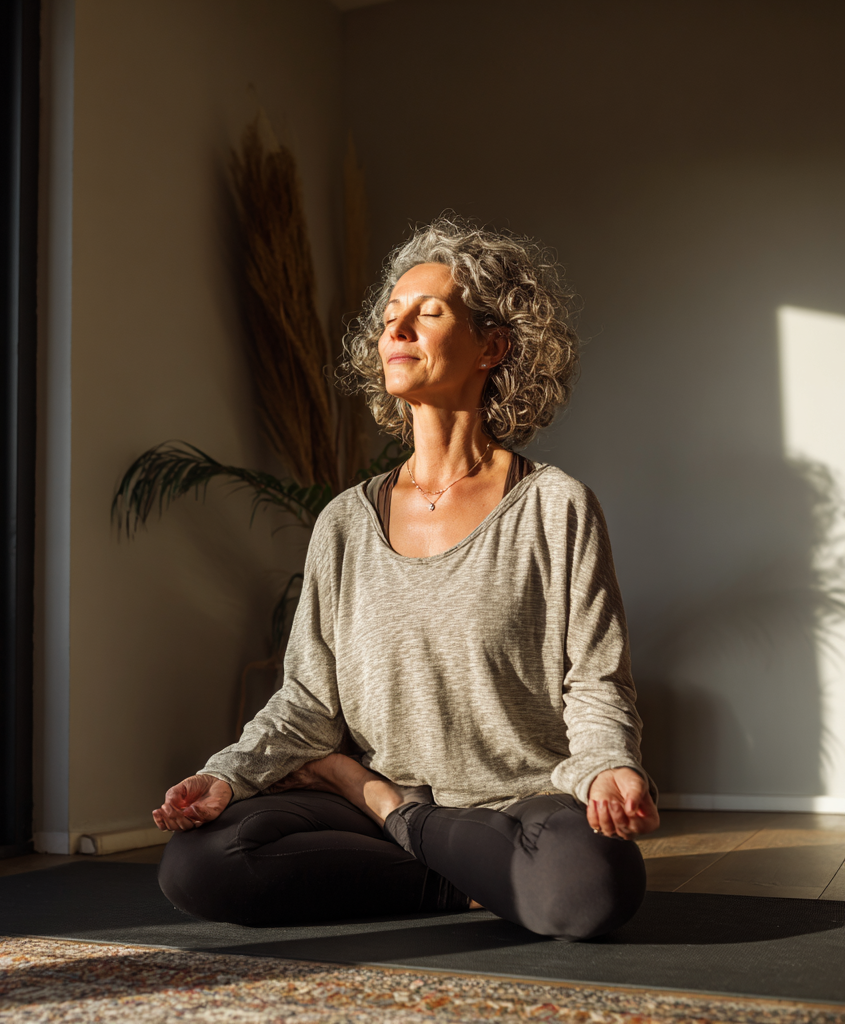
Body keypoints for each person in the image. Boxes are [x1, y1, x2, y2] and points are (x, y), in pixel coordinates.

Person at [153, 216, 660, 940]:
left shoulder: (554, 506)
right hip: (378, 803)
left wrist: (609, 765)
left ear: (492, 346)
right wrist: (227, 776)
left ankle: (407, 825)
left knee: (593, 886)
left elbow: (595, 679)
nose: (398, 330)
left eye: (428, 314)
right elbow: (306, 700)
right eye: (391, 318)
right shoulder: (343, 523)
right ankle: (478, 877)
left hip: (510, 800)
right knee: (198, 864)